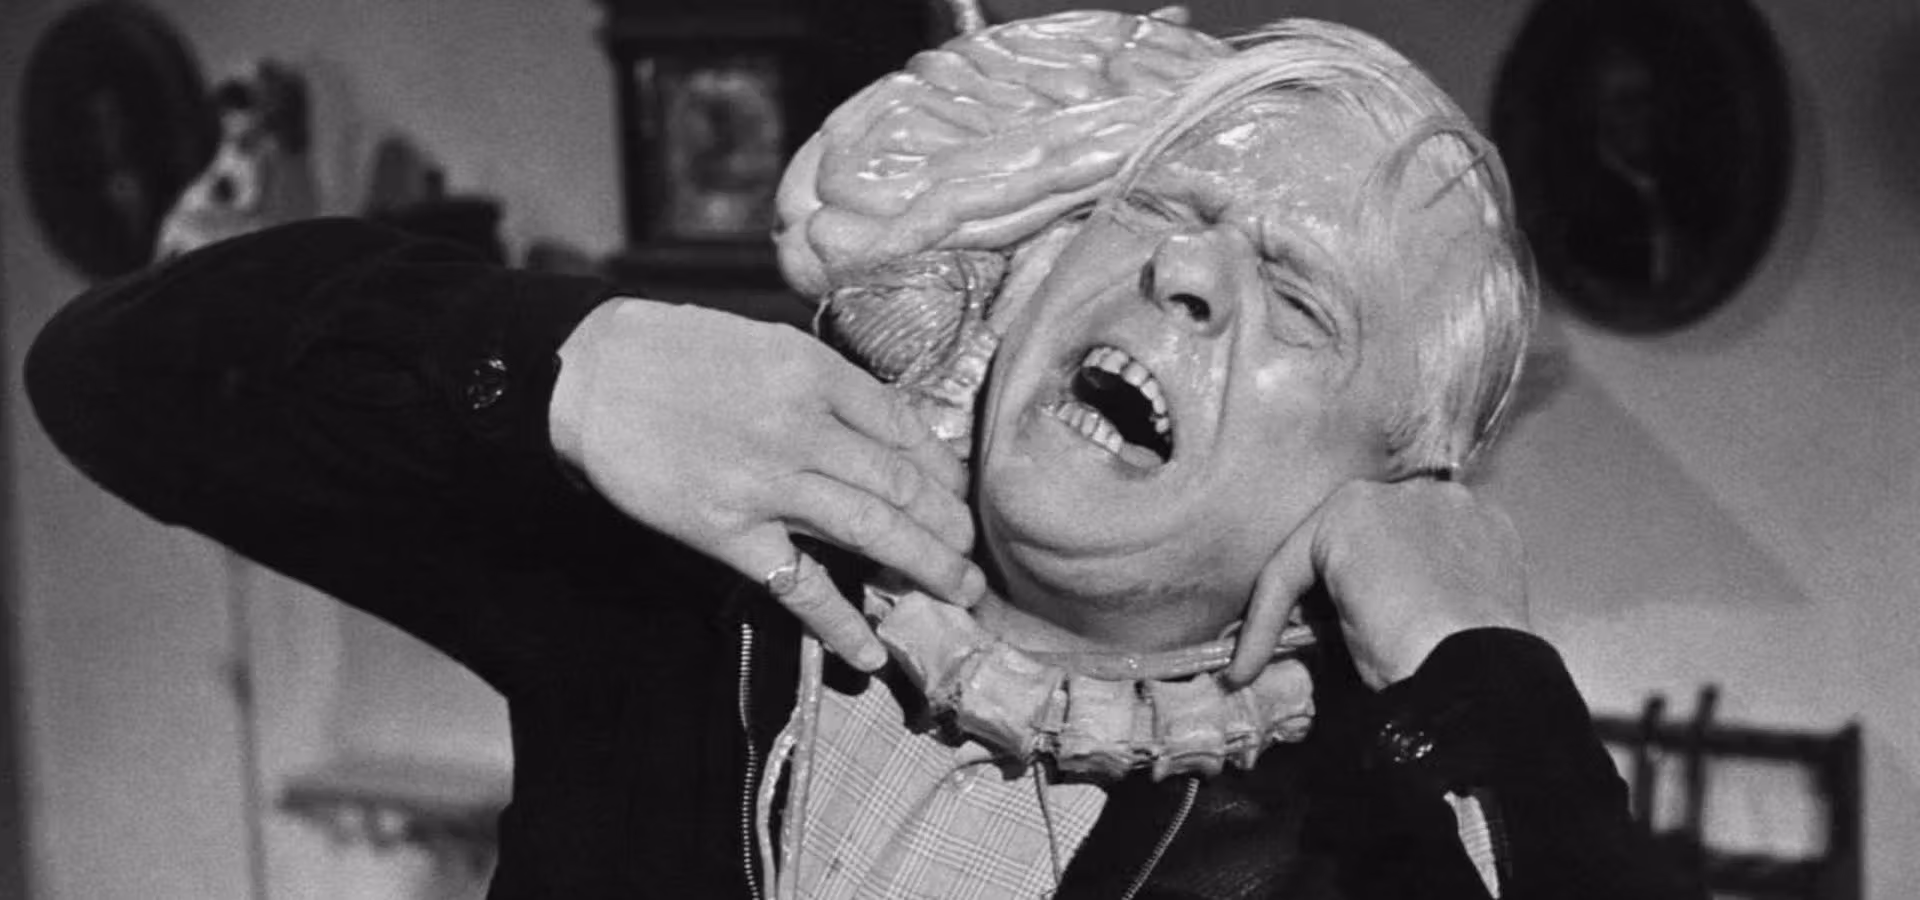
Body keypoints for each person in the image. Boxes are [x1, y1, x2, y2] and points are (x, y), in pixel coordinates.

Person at [27, 12, 1696, 900]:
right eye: (1168, 206)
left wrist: (1483, 667)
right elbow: (108, 380)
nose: (1188, 271)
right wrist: (562, 364)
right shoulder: (700, 587)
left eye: (1303, 301)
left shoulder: (1364, 833)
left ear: (1389, 497)